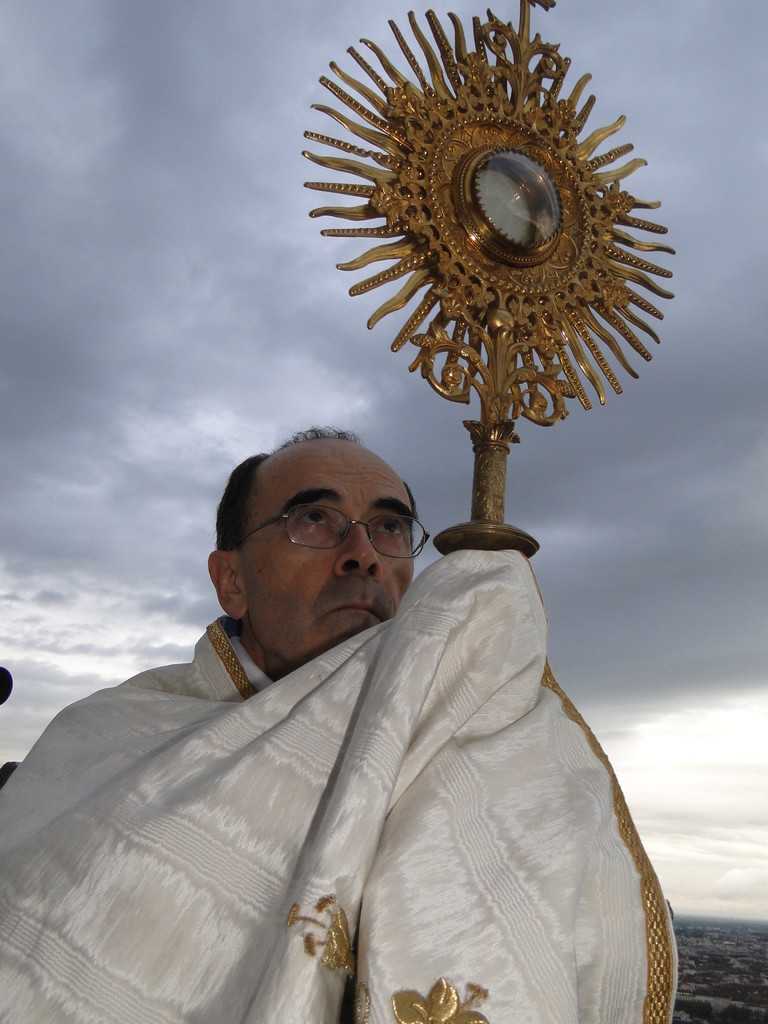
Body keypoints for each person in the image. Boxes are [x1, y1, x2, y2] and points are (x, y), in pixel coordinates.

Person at [0, 427, 676, 1024]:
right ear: (230, 580)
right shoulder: (104, 740)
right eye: (314, 518)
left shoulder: (504, 757)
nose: (363, 554)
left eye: (389, 526)